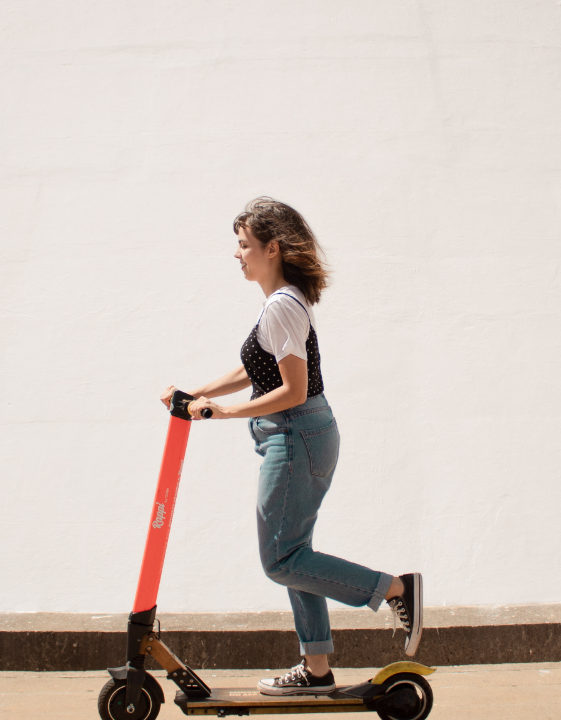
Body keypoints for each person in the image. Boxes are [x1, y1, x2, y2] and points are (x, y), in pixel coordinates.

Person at [159, 197, 423, 696]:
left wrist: (223, 413)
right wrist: (199, 394)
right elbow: (254, 371)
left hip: (295, 433)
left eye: (243, 245)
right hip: (302, 434)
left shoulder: (282, 306)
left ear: (272, 248)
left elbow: (292, 389)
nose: (237, 255)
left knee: (280, 560)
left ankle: (394, 589)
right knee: (294, 554)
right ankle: (317, 669)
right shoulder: (282, 303)